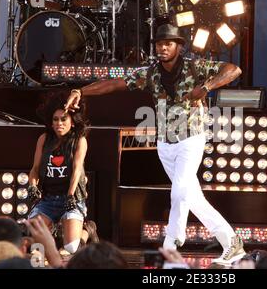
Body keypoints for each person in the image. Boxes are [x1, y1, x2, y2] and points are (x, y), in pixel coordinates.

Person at [65, 24, 246, 265]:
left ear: (179, 47)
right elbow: (112, 84)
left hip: (191, 138)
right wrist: (80, 91)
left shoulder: (194, 66)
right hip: (165, 144)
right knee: (191, 197)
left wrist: (206, 87)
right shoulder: (150, 73)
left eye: (168, 44)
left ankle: (171, 246)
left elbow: (233, 69)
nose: (162, 48)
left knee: (180, 191)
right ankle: (232, 242)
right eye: (159, 44)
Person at [28, 91, 98, 255]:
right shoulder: (44, 139)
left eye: (63, 119)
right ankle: (53, 231)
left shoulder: (79, 140)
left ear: (72, 122)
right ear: (51, 123)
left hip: (72, 198)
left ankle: (88, 229)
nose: (59, 123)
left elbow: (77, 170)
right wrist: (32, 185)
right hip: (48, 199)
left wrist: (70, 195)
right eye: (55, 119)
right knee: (36, 242)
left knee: (71, 248)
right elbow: (35, 169)